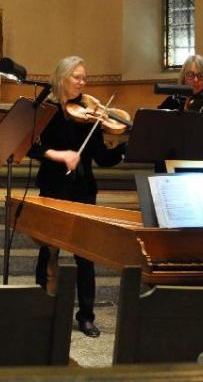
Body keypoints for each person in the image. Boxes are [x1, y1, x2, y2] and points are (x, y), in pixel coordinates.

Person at [29, 55, 124, 338]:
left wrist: (124, 148)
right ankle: (42, 308)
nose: (83, 83)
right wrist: (59, 155)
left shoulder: (89, 115)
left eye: (85, 77)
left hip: (83, 189)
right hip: (54, 187)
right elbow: (31, 147)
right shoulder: (45, 111)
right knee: (49, 250)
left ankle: (86, 316)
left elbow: (102, 158)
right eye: (77, 77)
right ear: (62, 78)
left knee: (85, 255)